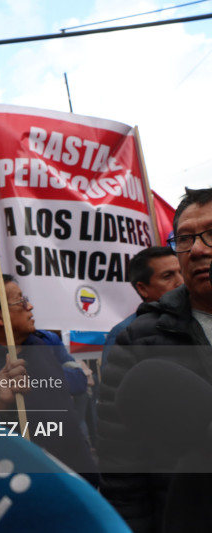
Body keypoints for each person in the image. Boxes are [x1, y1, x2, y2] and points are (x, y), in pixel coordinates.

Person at [97, 187, 212, 533]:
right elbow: (123, 474)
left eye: (211, 234)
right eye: (185, 239)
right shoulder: (136, 341)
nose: (198, 249)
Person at [0, 274, 98, 479]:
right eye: (21, 301)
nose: (30, 307)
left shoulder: (39, 346)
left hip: (80, 479)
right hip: (33, 485)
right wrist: (0, 408)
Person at [101, 246, 183, 370]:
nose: (181, 282)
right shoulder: (124, 333)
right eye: (167, 276)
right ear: (143, 289)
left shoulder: (200, 316)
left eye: (182, 273)